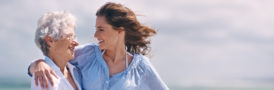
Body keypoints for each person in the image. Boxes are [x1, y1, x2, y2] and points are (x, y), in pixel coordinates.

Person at [28, 2, 169, 90]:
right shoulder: (87, 54)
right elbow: (55, 58)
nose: (95, 35)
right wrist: (37, 64)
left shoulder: (141, 67)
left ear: (120, 31)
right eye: (95, 29)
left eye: (101, 29)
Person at [30, 11, 81, 90]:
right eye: (70, 37)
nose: (76, 43)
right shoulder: (43, 79)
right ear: (50, 40)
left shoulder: (75, 70)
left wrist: (37, 63)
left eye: (74, 37)